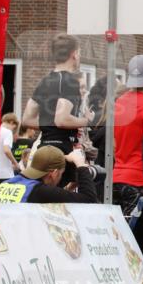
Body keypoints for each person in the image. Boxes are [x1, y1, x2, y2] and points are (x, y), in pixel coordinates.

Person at [22, 35, 92, 180]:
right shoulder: (70, 81)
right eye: (79, 53)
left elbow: (27, 119)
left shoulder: (45, 81)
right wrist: (87, 120)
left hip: (43, 149)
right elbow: (62, 120)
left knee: (44, 197)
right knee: (63, 197)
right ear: (74, 54)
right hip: (61, 152)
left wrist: (49, 126)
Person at [113, 54, 143, 214]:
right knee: (136, 234)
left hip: (116, 176)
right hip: (138, 180)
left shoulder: (118, 102)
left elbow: (113, 142)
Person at [0, 145, 98, 203]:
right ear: (54, 173)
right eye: (61, 173)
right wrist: (81, 165)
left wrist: (67, 190)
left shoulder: (5, 184)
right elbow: (89, 199)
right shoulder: (40, 191)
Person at [0, 113, 20, 187]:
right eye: (14, 128)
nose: (13, 130)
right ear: (12, 122)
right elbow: (6, 150)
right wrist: (15, 163)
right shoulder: (7, 132)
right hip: (5, 174)